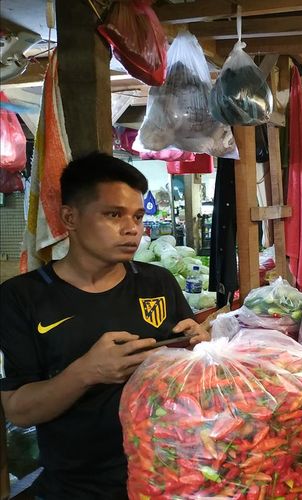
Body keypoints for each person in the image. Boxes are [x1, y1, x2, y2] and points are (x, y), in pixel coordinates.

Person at [0, 152, 210, 499]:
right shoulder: (22, 297)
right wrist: (87, 371)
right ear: (70, 217)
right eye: (114, 215)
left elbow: (183, 376)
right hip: (76, 487)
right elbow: (19, 411)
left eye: (138, 217)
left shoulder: (156, 282)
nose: (132, 229)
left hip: (169, 474)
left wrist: (199, 349)